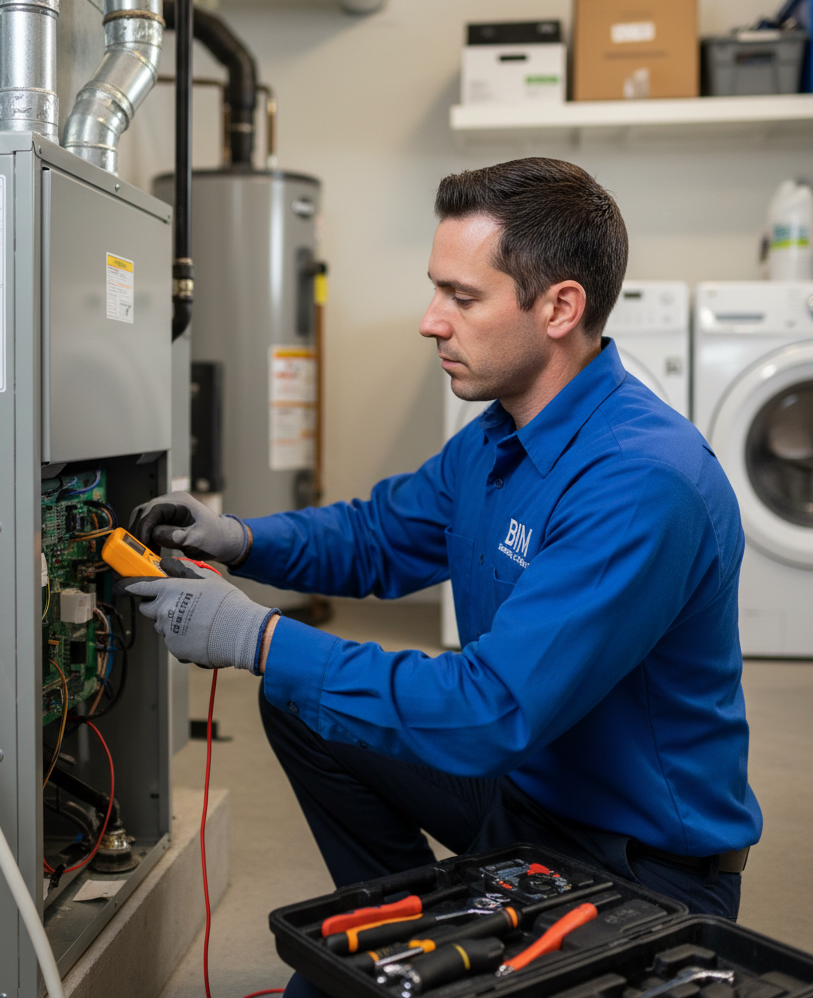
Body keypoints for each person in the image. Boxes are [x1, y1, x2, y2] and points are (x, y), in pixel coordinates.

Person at [118, 159, 762, 935]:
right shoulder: (498, 436)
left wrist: (255, 635)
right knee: (304, 704)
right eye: (436, 289)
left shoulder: (640, 481)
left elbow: (491, 710)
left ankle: (428, 952)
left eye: (461, 296)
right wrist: (240, 539)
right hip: (524, 796)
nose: (430, 320)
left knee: (297, 674)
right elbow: (376, 535)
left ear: (559, 307)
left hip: (640, 863)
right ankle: (407, 932)